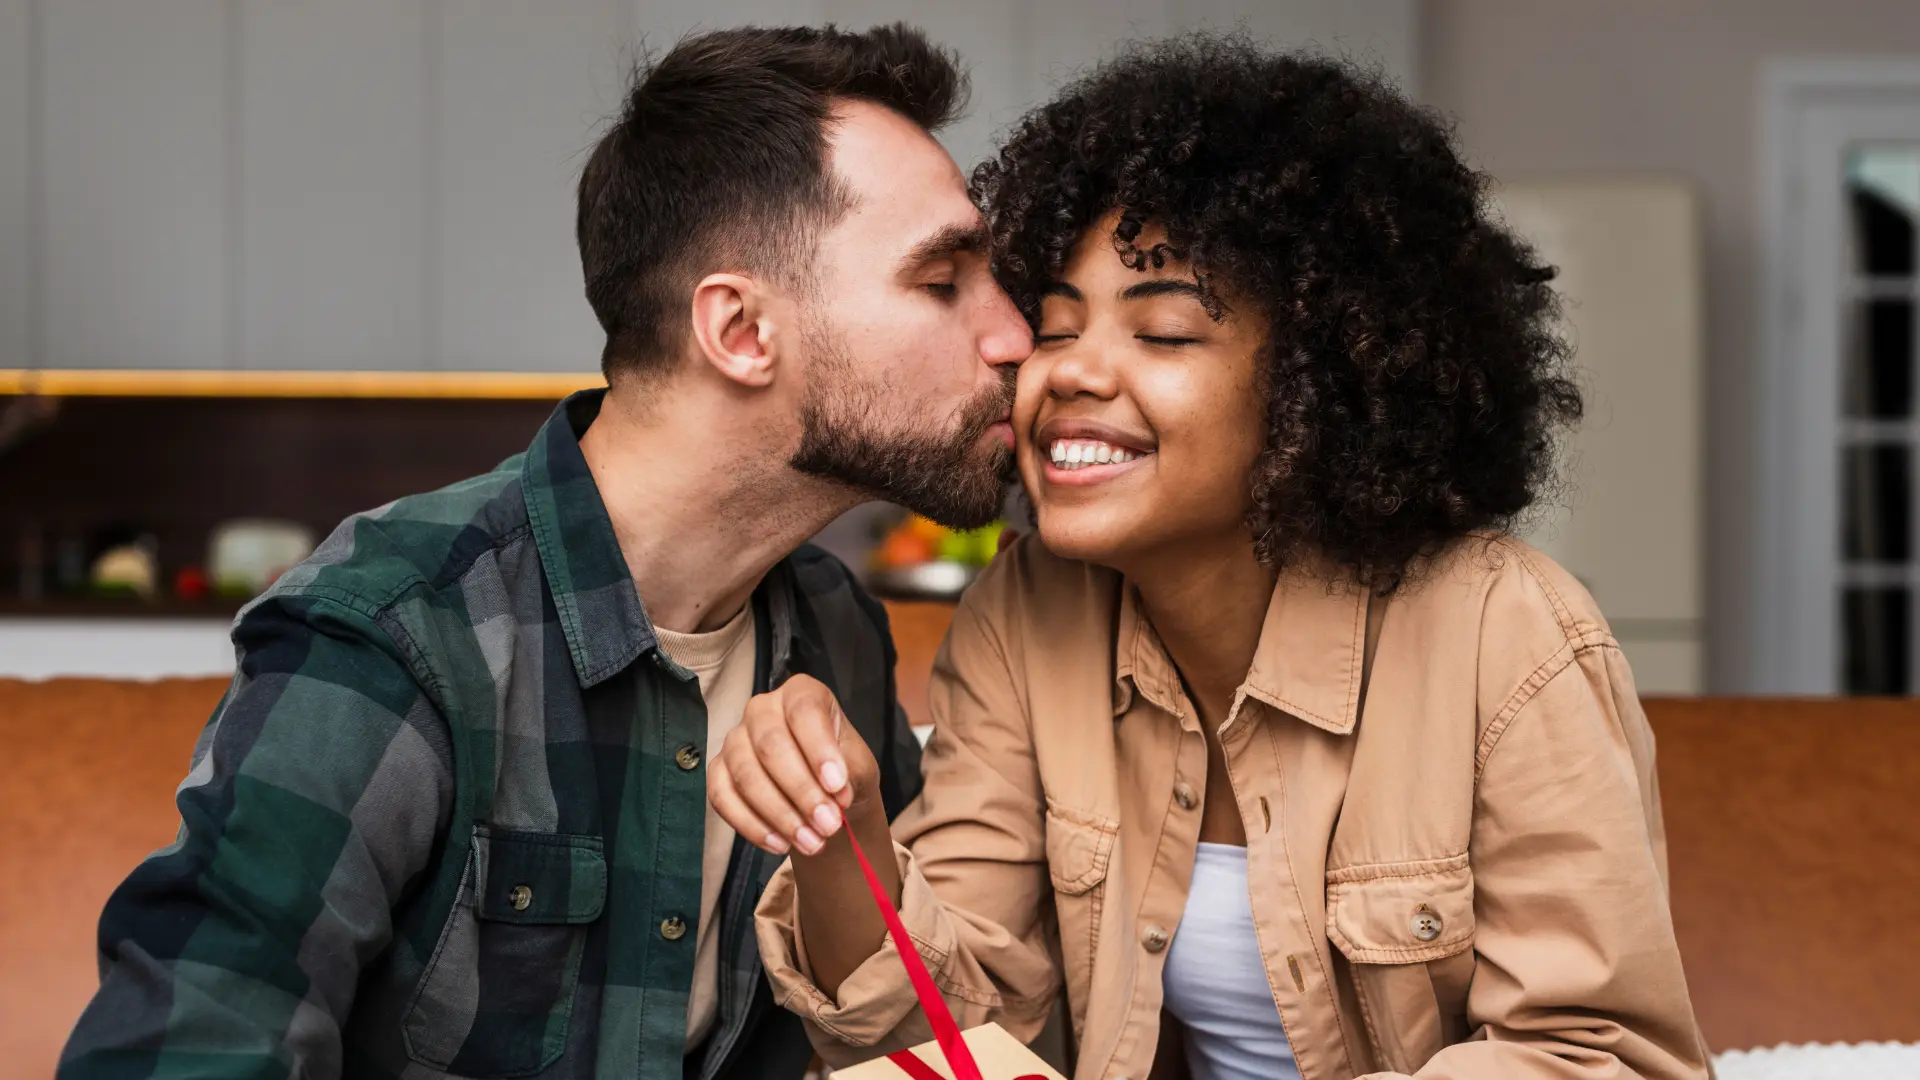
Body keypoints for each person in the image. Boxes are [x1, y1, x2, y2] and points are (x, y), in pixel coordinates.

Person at [713, 35, 1713, 1080]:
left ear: (1316, 385)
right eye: (1054, 328)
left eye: (1167, 335)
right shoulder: (1027, 612)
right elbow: (955, 1046)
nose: (1072, 373)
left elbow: (1601, 1057)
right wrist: (844, 838)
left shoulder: (1505, 634)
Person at [59, 23, 1032, 1080]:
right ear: (741, 331)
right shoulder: (394, 634)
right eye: (943, 281)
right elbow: (180, 1053)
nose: (1013, 336)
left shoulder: (836, 634)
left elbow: (912, 1049)